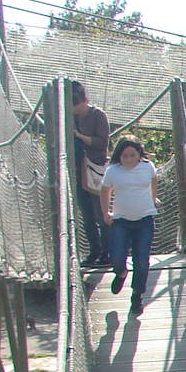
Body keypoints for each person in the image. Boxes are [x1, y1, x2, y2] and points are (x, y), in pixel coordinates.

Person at [99, 136, 158, 317]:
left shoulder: (147, 167)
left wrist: (153, 198)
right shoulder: (113, 171)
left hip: (144, 220)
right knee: (116, 257)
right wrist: (106, 213)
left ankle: (136, 296)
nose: (129, 159)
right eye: (125, 156)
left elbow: (154, 180)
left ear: (139, 154)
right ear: (119, 156)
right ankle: (121, 272)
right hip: (121, 220)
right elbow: (104, 191)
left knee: (141, 261)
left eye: (132, 155)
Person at [70, 81, 111, 268]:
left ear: (84, 100)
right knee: (86, 215)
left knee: (100, 212)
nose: (75, 108)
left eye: (77, 104)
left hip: (95, 170)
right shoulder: (70, 117)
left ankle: (107, 251)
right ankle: (94, 251)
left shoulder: (98, 115)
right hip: (78, 171)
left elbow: (102, 143)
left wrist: (80, 136)